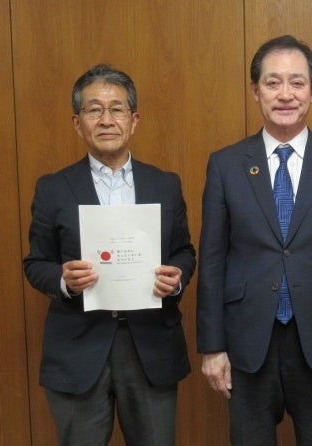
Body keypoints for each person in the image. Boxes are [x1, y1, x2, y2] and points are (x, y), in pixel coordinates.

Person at [197, 35, 312, 445]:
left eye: (297, 82)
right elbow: (212, 260)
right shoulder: (226, 164)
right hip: (246, 342)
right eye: (273, 82)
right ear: (255, 90)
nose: (285, 94)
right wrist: (212, 347)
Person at [23, 64, 196, 446]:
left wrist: (177, 277)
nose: (106, 120)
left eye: (117, 109)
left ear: (134, 120)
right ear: (77, 122)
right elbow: (36, 263)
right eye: (94, 110)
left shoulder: (165, 184)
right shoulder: (53, 189)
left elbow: (184, 251)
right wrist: (63, 280)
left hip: (151, 346)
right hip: (78, 350)